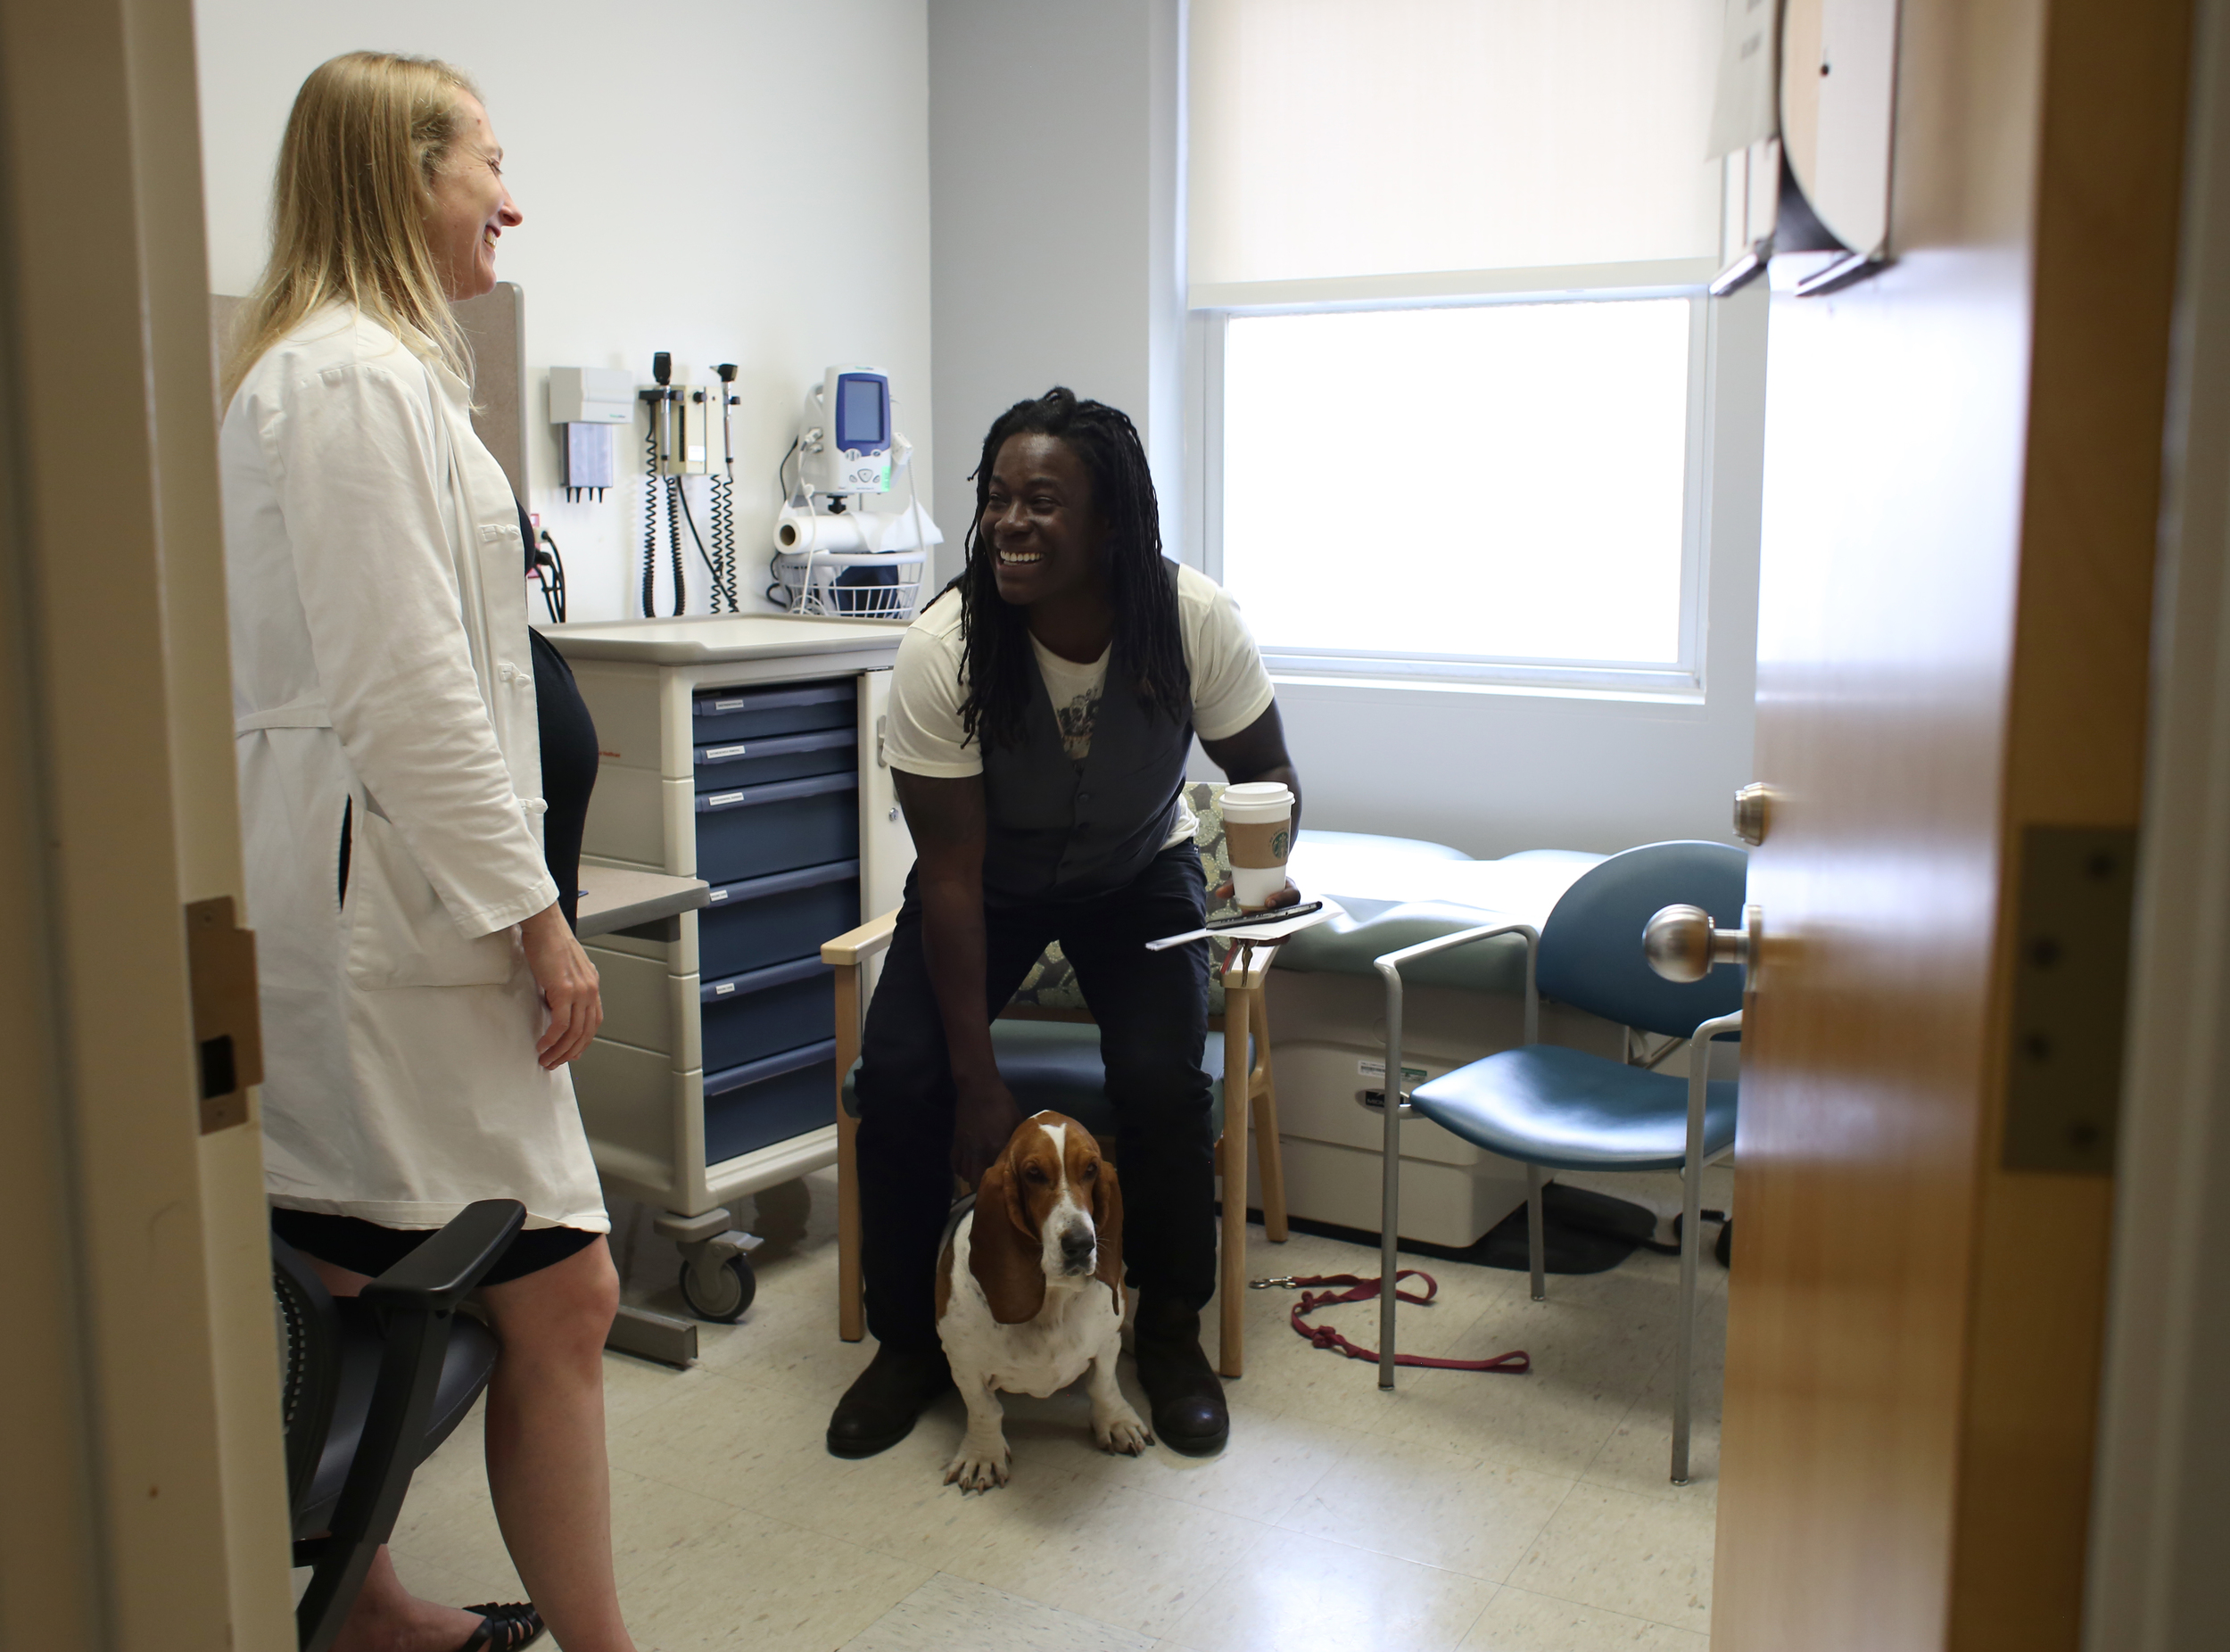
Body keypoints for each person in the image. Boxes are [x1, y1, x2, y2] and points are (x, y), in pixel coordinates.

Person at [220, 53, 635, 1652]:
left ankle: (372, 1607)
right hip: (398, 928)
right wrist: (542, 922)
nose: (509, 197)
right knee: (568, 1292)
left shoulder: (378, 374)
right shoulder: (342, 383)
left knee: (335, 1270)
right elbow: (406, 692)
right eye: (487, 160)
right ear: (405, 176)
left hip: (386, 914)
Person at [829, 387, 1301, 1462]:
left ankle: (1167, 1334)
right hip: (985, 883)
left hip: (1137, 870)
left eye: (1042, 501)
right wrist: (977, 1076)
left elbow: (1265, 771)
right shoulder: (943, 648)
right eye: (996, 498)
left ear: (1111, 524)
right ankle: (907, 1339)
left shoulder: (1191, 621)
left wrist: (1260, 885)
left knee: (1164, 1082)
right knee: (904, 1076)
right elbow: (947, 873)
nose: (1009, 522)